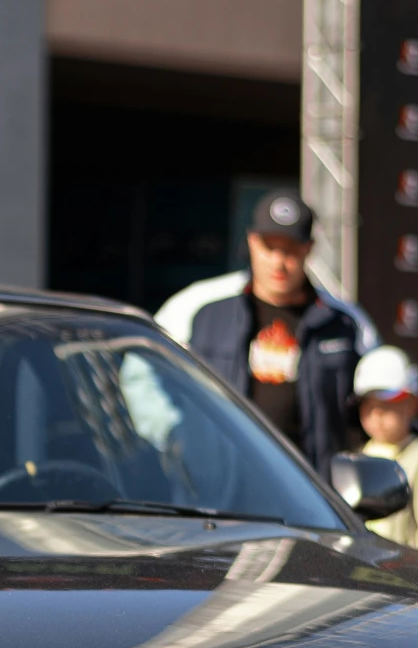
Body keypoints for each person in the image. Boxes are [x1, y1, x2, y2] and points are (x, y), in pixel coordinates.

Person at [154, 189, 375, 464]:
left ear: (309, 248)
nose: (279, 262)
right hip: (219, 489)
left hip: (311, 491)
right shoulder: (198, 307)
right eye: (270, 247)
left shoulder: (345, 322)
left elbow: (377, 407)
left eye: (291, 250)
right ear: (252, 241)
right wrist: (174, 444)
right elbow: (144, 376)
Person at [353, 347, 418, 555]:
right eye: (369, 405)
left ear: (413, 404)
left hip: (404, 580)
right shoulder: (357, 458)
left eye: (387, 404)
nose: (377, 414)